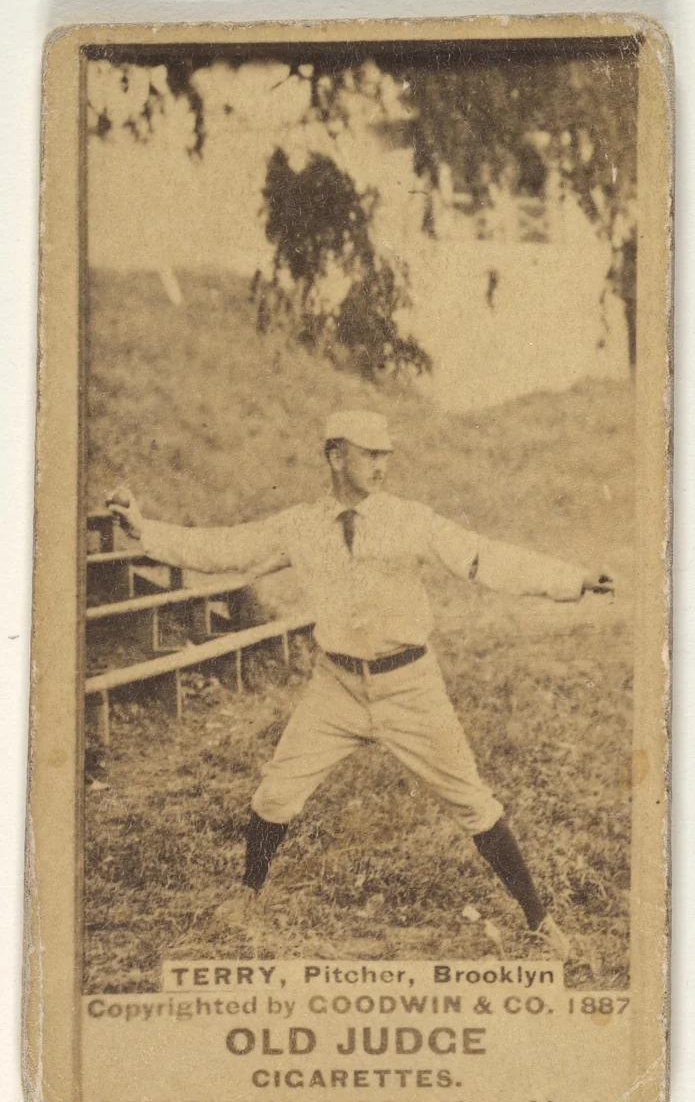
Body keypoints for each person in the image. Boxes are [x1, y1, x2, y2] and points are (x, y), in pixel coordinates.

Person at [108, 410, 614, 961]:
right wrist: (143, 531)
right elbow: (227, 549)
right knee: (277, 791)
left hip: (410, 686)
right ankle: (246, 895)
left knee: (472, 801)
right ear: (334, 456)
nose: (382, 463)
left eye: (386, 453)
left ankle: (540, 921)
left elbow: (484, 559)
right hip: (338, 687)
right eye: (369, 452)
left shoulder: (411, 519)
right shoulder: (300, 525)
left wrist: (572, 580)